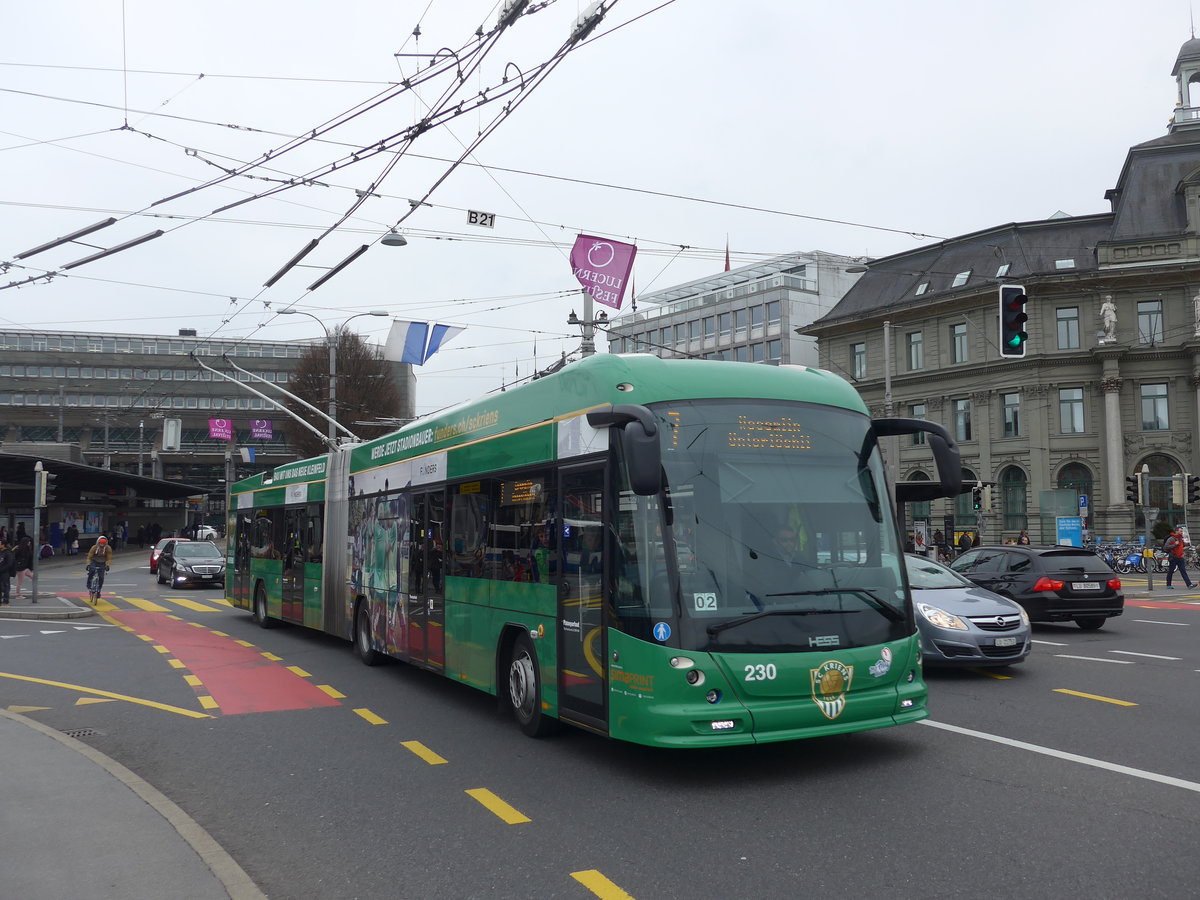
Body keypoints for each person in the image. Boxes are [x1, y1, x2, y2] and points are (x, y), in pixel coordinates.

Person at [85, 536, 113, 602]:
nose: (102, 545)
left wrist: (107, 565)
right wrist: (88, 565)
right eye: (101, 543)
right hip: (94, 561)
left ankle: (99, 590)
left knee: (101, 577)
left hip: (102, 562)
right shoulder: (94, 547)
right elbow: (89, 557)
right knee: (91, 571)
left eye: (103, 544)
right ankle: (89, 585)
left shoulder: (108, 548)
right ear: (98, 542)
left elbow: (108, 558)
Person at [0, 539, 12, 605]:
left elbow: (9, 564)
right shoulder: (1, 552)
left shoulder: (8, 553)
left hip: (4, 572)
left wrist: (2, 569)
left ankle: (5, 600)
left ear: (3, 545)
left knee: (5, 586)